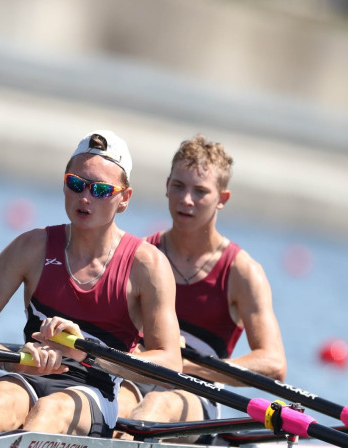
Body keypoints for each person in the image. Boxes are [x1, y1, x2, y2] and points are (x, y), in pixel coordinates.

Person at [0, 130, 182, 437]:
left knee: (50, 411)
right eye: (76, 184)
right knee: (1, 401)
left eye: (100, 190)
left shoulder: (146, 265)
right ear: (64, 185)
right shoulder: (31, 247)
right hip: (30, 375)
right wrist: (15, 362)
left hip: (95, 390)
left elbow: (170, 362)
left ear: (123, 199)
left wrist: (87, 354)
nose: (85, 198)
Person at [116, 134, 287, 440]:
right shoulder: (143, 255)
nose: (186, 200)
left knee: (158, 405)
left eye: (201, 192)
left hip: (195, 395)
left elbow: (273, 365)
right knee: (118, 409)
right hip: (138, 376)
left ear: (222, 199)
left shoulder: (242, 272)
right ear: (167, 185)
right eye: (179, 186)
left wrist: (187, 366)